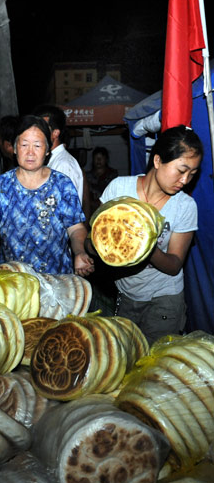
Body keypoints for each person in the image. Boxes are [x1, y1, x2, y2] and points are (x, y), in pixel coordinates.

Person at [94, 125, 203, 345]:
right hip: (125, 294)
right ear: (157, 161)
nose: (185, 180)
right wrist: (91, 246)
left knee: (155, 367)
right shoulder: (119, 189)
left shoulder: (185, 206)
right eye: (181, 170)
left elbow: (174, 265)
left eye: (192, 173)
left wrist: (142, 242)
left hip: (163, 298)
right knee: (126, 360)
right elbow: (94, 238)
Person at [0, 114, 94, 276]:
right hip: (13, 280)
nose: (30, 153)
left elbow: (76, 229)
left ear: (48, 150)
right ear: (14, 148)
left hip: (57, 278)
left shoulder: (62, 184)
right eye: (24, 145)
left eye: (37, 146)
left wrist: (79, 252)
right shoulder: (1, 185)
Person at [33, 103, 84, 203]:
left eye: (41, 129)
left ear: (55, 133)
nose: (36, 133)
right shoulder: (50, 160)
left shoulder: (63, 164)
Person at [86, 146, 118, 215]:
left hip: (108, 209)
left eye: (101, 158)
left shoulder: (112, 175)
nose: (98, 160)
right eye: (96, 158)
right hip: (91, 211)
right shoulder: (87, 176)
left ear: (106, 159)